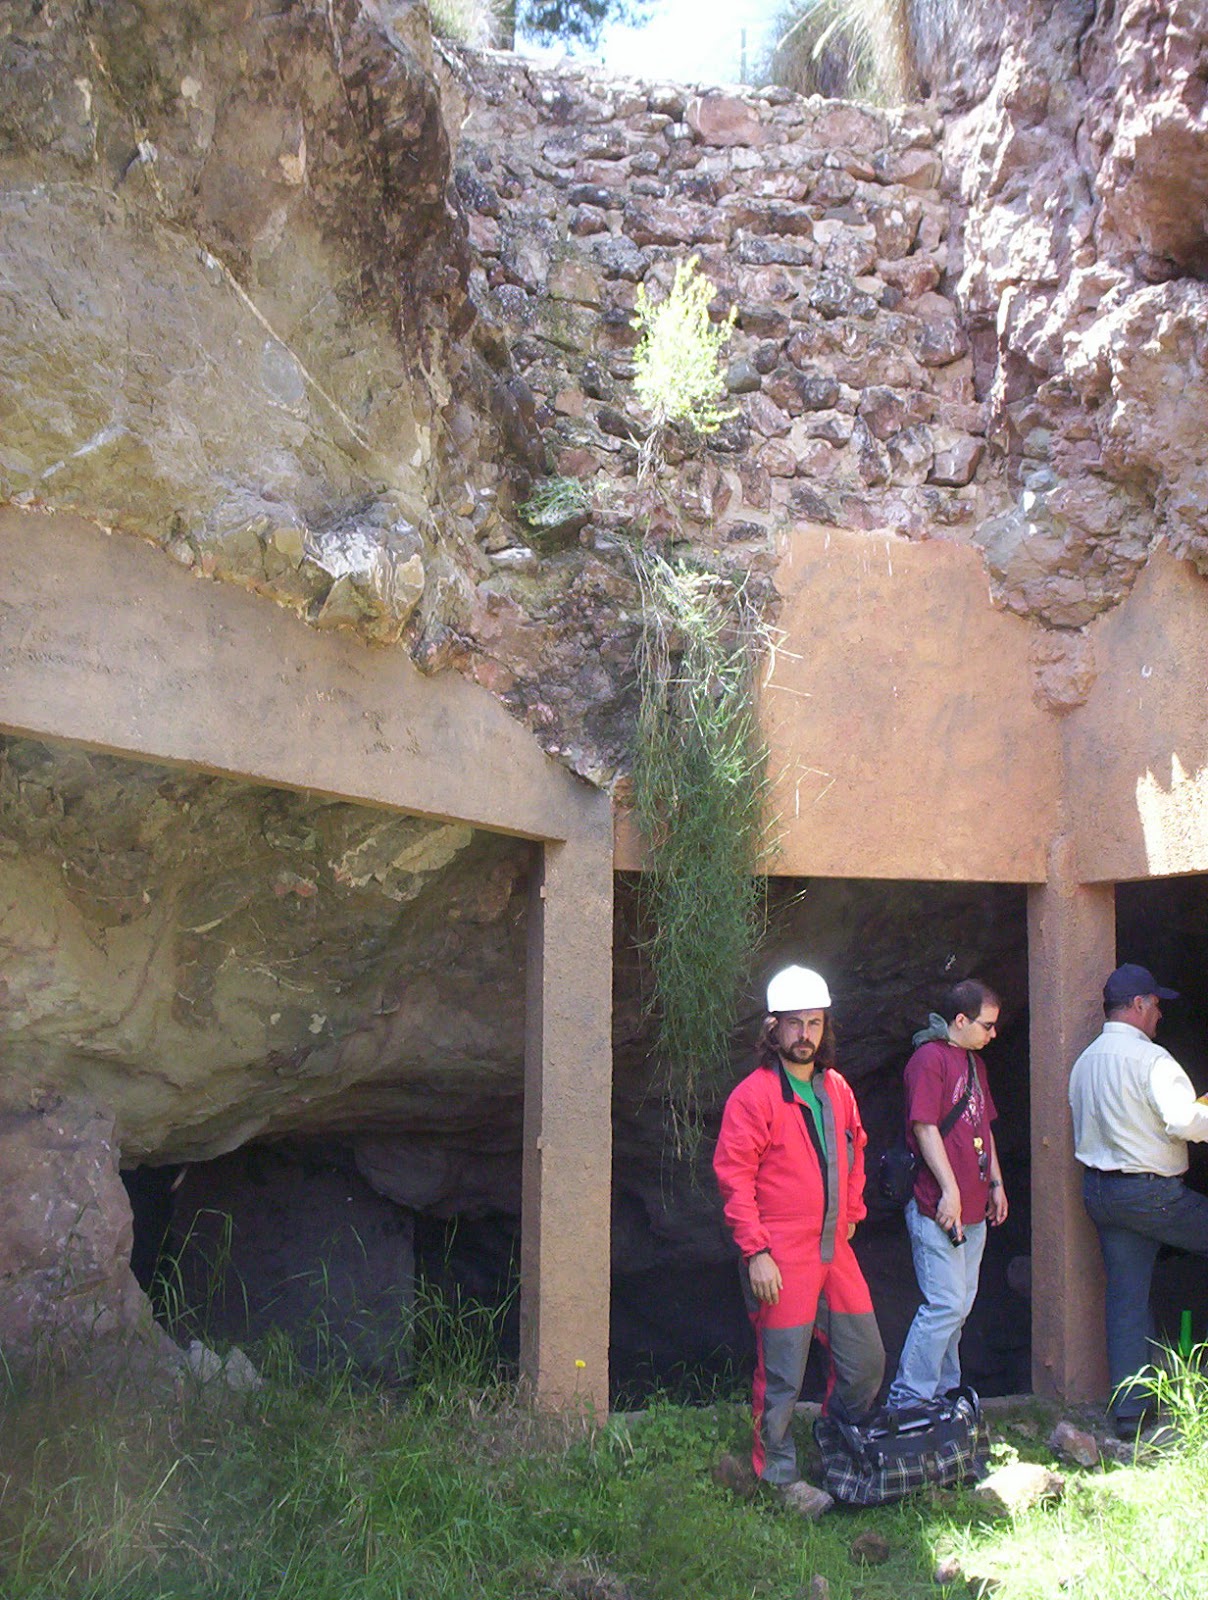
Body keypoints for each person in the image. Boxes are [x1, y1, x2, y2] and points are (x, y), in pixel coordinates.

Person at [713, 964, 884, 1510]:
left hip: (835, 1248)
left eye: (814, 1022)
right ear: (773, 1029)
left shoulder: (836, 1088)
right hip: (780, 1252)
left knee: (867, 1362)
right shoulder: (754, 1096)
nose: (805, 1034)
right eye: (794, 1024)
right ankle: (779, 1479)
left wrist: (852, 1210)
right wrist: (756, 1252)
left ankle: (836, 1441)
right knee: (782, 1370)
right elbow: (734, 1175)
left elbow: (856, 1148)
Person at [1068, 962, 1208, 1436]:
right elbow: (1183, 1121)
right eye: (1156, 1006)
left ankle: (1130, 1413)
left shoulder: (1085, 1060)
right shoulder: (1153, 1060)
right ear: (1140, 1005)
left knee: (1127, 1298)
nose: (1160, 1016)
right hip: (1152, 1194)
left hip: (1100, 1192)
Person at [887, 978, 1007, 1408]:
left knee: (959, 1309)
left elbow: (983, 1127)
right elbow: (924, 1127)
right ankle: (908, 1400)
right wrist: (950, 1191)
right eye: (987, 1025)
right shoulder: (928, 1059)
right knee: (945, 1305)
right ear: (960, 1020)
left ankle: (945, 1394)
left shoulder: (975, 1063)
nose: (993, 1034)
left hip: (973, 1207)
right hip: (936, 1204)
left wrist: (995, 1182)